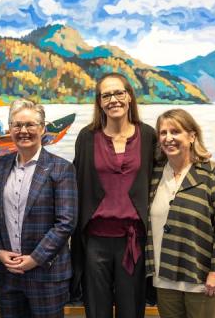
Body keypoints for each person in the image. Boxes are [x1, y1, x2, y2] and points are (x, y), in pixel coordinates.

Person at [71, 73, 156, 318]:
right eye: (106, 95)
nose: (113, 100)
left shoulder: (148, 136)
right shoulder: (87, 138)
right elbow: (77, 183)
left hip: (134, 241)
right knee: (97, 312)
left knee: (132, 311)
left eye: (119, 93)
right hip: (95, 241)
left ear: (129, 97)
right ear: (99, 102)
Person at [0, 99, 77, 318]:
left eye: (30, 125)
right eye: (17, 125)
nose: (23, 131)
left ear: (42, 128)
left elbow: (66, 223)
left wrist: (34, 259)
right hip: (9, 275)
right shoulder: (0, 165)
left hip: (47, 275)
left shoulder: (61, 168)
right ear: (10, 129)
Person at [146, 109, 215, 318]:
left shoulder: (212, 176)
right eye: (163, 133)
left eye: (175, 131)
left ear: (192, 136)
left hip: (202, 281)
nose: (168, 138)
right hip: (164, 280)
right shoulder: (155, 176)